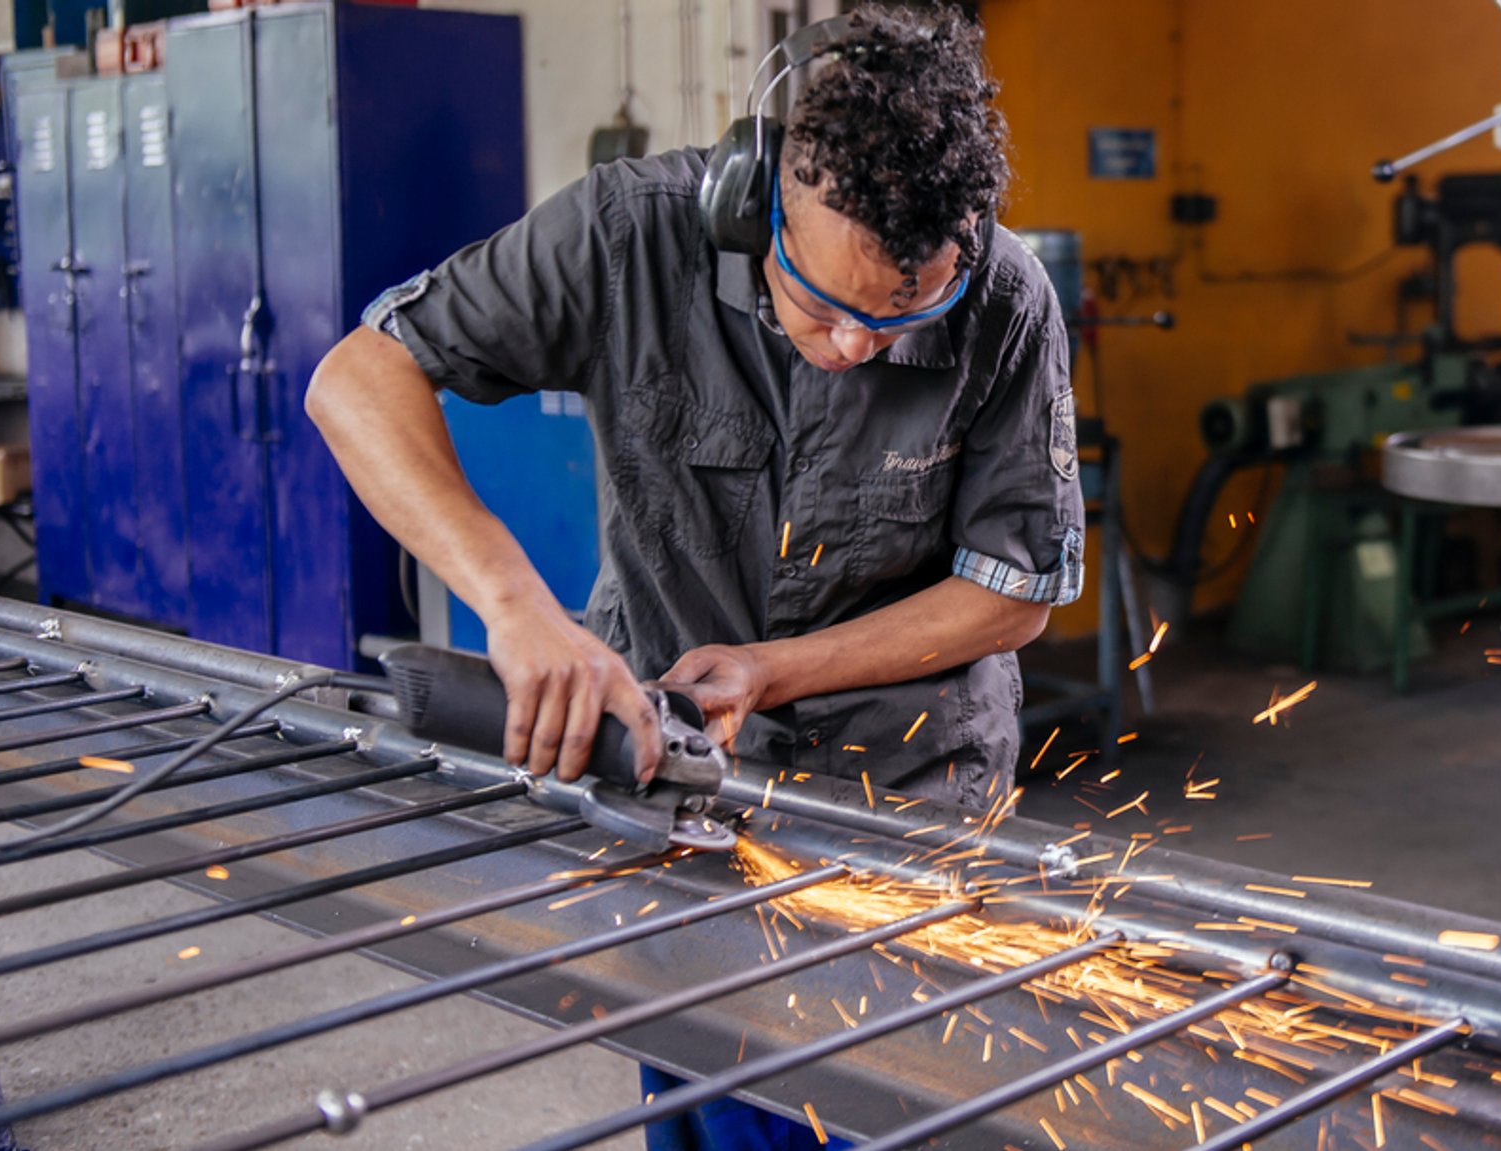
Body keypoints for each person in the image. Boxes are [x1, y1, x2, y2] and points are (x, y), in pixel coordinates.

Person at [306, 6, 1080, 1141]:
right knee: (708, 1091)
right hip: (678, 789)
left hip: (909, 799)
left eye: (902, 314)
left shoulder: (1007, 299)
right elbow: (355, 379)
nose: (860, 346)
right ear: (752, 194)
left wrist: (772, 667)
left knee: (892, 1104)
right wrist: (515, 606)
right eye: (823, 305)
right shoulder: (629, 234)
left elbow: (1011, 589)